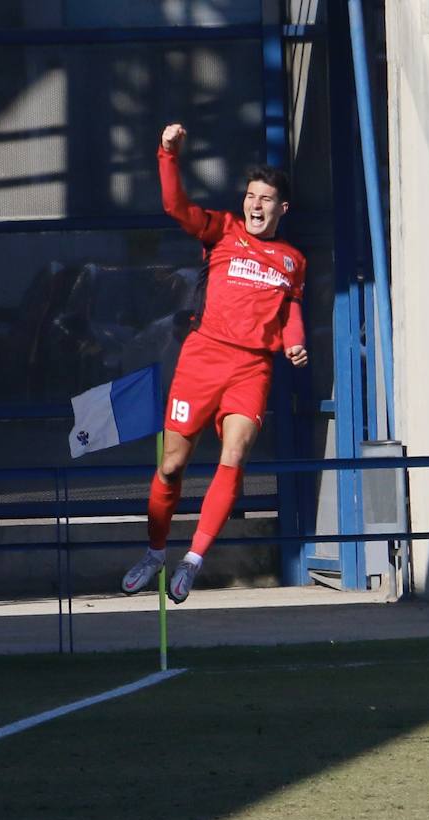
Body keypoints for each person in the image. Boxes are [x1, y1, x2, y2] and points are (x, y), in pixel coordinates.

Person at [120, 123, 308, 603]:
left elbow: (289, 309)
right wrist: (167, 154)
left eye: (266, 199)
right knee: (171, 466)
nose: (256, 205)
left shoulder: (292, 260)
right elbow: (175, 208)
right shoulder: (222, 230)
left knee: (236, 454)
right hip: (202, 359)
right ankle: (155, 551)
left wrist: (294, 342)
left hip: (252, 368)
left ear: (282, 208)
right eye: (251, 196)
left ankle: (193, 561)